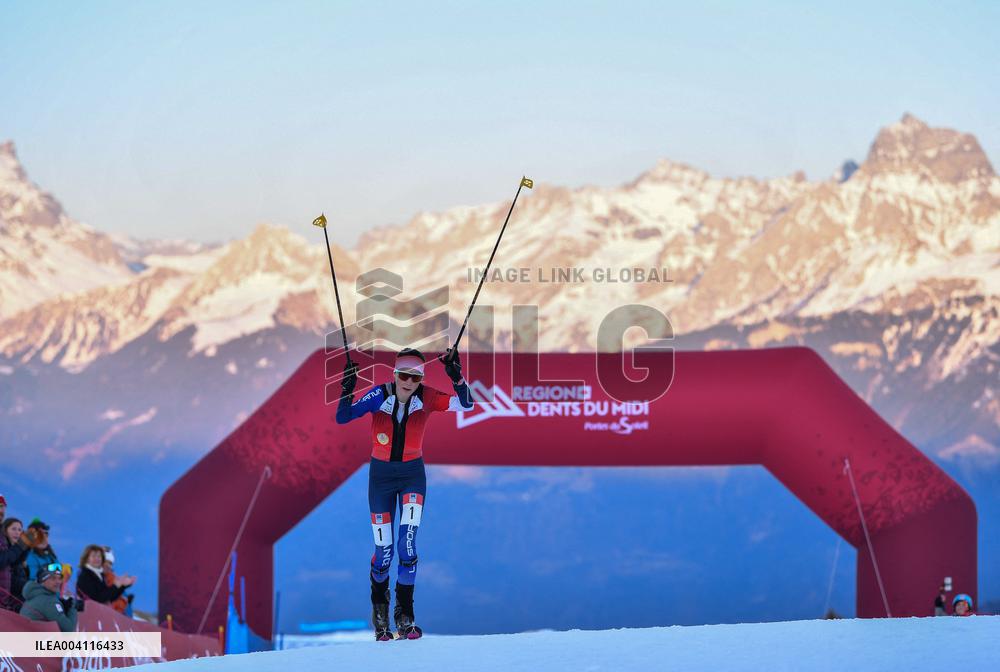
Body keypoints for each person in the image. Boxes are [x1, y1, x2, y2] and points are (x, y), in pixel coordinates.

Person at [337, 347, 473, 641]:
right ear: (395, 374)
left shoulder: (428, 397)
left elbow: (467, 405)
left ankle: (405, 617)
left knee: (407, 545)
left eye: (415, 377)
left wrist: (457, 377)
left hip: (412, 476)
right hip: (381, 478)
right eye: (403, 375)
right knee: (384, 551)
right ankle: (380, 617)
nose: (408, 382)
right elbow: (343, 417)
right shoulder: (379, 395)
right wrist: (347, 388)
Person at [19, 563, 78, 632]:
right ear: (43, 581)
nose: (58, 582)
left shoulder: (33, 596)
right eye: (53, 578)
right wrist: (73, 607)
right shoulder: (49, 602)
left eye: (59, 578)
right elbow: (69, 630)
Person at [2, 517, 44, 611]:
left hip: (15, 600)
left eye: (20, 530)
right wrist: (29, 586)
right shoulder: (5, 548)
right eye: (13, 529)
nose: (17, 532)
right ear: (5, 531)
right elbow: (7, 565)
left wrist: (27, 546)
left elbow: (17, 563)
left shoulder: (15, 549)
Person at [101, 547, 135, 615]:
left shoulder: (112, 579)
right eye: (105, 562)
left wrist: (123, 587)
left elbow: (118, 600)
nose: (107, 565)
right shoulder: (88, 575)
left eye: (110, 563)